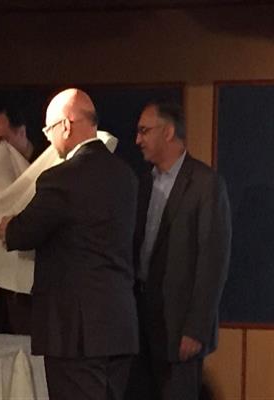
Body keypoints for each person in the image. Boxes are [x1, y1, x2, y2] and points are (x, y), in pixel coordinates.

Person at [0, 88, 139, 400]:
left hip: (75, 332)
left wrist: (9, 226)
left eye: (48, 129)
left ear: (65, 125)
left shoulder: (61, 178)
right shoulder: (126, 176)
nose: (48, 139)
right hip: (120, 325)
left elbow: (24, 233)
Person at [126, 100, 231, 400]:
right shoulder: (143, 184)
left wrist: (196, 328)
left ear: (169, 132)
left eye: (144, 131)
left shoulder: (205, 184)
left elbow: (213, 262)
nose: (137, 140)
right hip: (141, 324)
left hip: (180, 328)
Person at [0, 105, 38, 335]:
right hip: (0, 295)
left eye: (2, 140)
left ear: (21, 132)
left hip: (36, 292)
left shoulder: (47, 168)